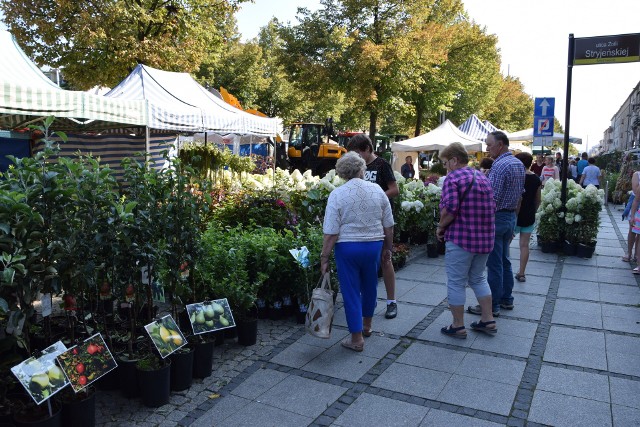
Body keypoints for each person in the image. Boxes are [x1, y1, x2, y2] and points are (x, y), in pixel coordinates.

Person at [320, 152, 394, 351]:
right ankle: (367, 325)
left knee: (351, 291)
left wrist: (324, 257)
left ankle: (356, 338)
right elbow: (388, 225)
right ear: (362, 169)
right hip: (373, 246)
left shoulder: (337, 194)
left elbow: (331, 231)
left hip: (348, 248)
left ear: (342, 173)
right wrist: (388, 248)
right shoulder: (377, 190)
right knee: (370, 285)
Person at [437, 142, 497, 338]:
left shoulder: (453, 178)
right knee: (479, 278)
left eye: (446, 162)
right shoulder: (482, 176)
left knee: (456, 282)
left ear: (454, 160)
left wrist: (440, 226)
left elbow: (450, 209)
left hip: (461, 239)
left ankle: (458, 325)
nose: (445, 167)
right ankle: (488, 319)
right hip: (485, 239)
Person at [468, 131, 524, 317]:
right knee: (505, 261)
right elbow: (519, 196)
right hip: (509, 218)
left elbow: (492, 197)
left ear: (500, 145)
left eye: (489, 145)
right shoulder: (517, 163)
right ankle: (507, 299)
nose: (487, 148)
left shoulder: (499, 166)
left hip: (497, 218)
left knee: (494, 264)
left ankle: (492, 306)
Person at [347, 134, 399, 319]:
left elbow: (394, 189)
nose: (357, 157)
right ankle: (369, 300)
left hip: (380, 219)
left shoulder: (381, 165)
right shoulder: (355, 167)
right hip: (362, 221)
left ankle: (391, 302)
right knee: (367, 263)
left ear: (368, 149)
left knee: (386, 259)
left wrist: (376, 197)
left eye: (359, 153)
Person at [513, 153, 542, 282]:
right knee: (524, 245)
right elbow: (538, 200)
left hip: (513, 214)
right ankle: (522, 273)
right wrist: (533, 211)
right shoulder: (536, 179)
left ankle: (503, 270)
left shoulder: (515, 177)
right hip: (529, 215)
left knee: (505, 244)